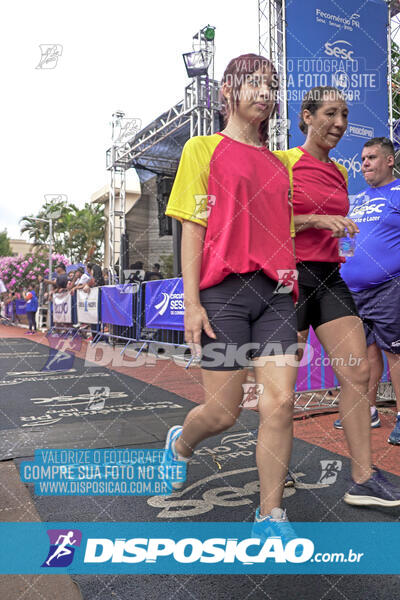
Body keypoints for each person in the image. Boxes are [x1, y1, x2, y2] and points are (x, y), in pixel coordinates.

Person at [164, 53, 300, 534]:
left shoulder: (280, 163)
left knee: (279, 404)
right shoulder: (202, 149)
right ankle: (182, 443)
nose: (265, 93)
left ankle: (270, 514)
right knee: (222, 413)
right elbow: (192, 229)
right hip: (223, 293)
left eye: (271, 85)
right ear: (227, 91)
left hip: (277, 295)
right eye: (254, 83)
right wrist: (193, 303)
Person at [275, 86, 400, 506]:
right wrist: (316, 219)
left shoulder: (340, 174)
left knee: (357, 374)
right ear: (307, 116)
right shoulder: (284, 163)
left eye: (345, 114)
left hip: (330, 279)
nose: (340, 124)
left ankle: (362, 478)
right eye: (330, 113)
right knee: (282, 388)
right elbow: (265, 224)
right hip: (289, 279)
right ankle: (274, 466)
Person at [340, 137, 400, 445]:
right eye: (362, 159)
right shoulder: (357, 198)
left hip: (390, 286)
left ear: (389, 161)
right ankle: (369, 409)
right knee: (365, 353)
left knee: (396, 352)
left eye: (371, 157)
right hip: (352, 290)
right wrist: (344, 263)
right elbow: (346, 239)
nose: (364, 163)